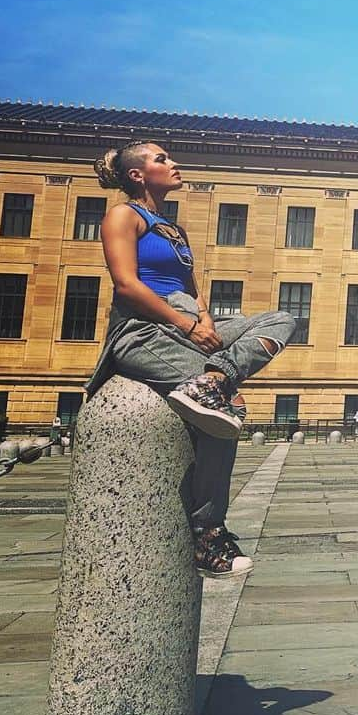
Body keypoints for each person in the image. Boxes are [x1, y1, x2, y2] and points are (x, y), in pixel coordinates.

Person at [87, 141, 297, 578]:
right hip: (144, 332)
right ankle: (207, 533)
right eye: (161, 159)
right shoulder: (124, 216)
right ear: (137, 175)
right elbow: (126, 286)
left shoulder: (173, 230)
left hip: (189, 329)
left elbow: (194, 289)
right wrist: (186, 327)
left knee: (281, 319)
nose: (173, 163)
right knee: (224, 414)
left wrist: (204, 321)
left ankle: (217, 377)